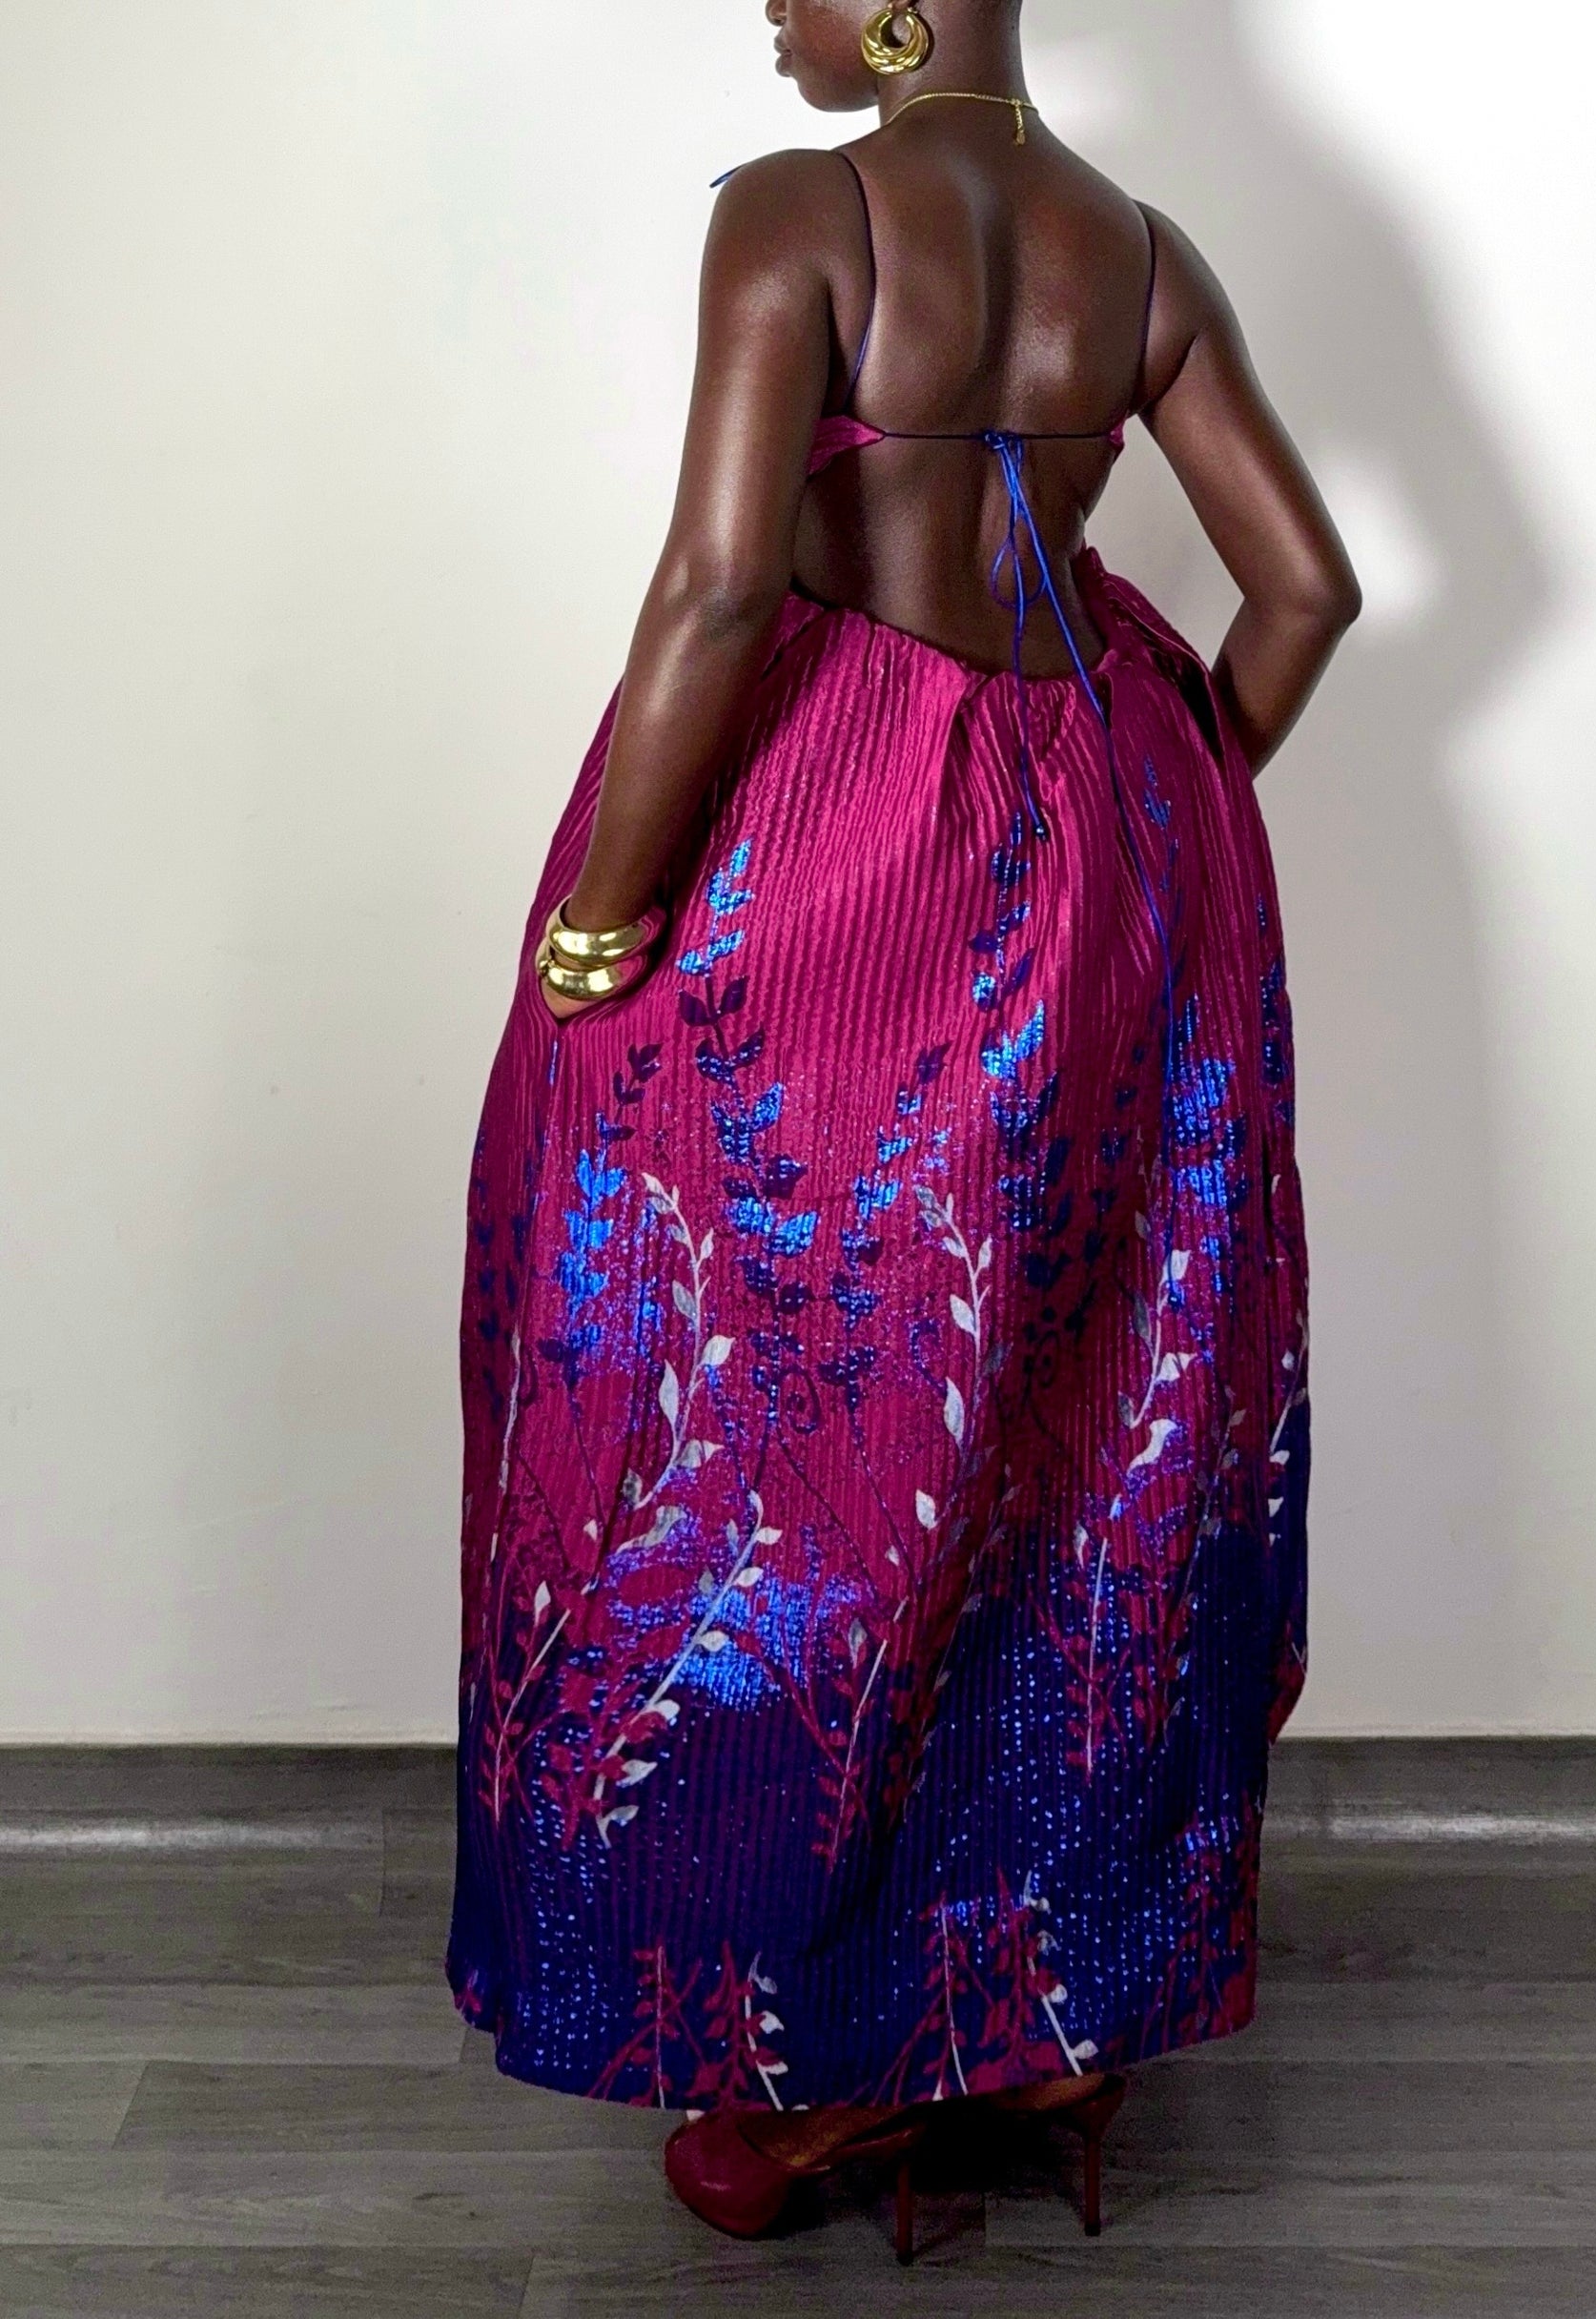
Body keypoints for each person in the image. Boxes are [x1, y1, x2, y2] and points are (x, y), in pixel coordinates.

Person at [446, 0, 1359, 2258]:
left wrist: (600, 921)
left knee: (779, 1433)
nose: (766, 14)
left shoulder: (801, 214)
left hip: (832, 867)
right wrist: (1156, 811)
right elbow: (1305, 591)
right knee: (1072, 1422)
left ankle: (822, 2044)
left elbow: (717, 586)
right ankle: (1036, 2001)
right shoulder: (1140, 252)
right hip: (1107, 880)